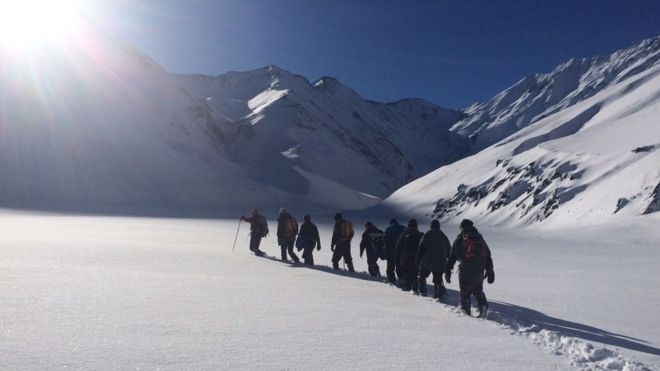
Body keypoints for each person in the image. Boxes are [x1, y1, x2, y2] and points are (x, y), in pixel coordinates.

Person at [445, 219, 495, 317]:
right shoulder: (480, 238)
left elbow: (452, 257)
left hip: (465, 271)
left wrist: (448, 270)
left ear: (462, 227)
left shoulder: (460, 240)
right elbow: (487, 255)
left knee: (465, 293)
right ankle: (483, 305)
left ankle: (466, 312)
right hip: (479, 271)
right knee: (478, 290)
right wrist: (490, 270)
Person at [416, 219, 451, 298]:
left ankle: (422, 290)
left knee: (422, 275)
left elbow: (421, 248)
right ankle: (438, 292)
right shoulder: (443, 236)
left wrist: (418, 260)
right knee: (438, 278)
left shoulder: (428, 234)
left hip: (428, 260)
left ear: (431, 226)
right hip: (441, 262)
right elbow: (449, 250)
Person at [396, 219, 423, 292]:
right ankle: (414, 286)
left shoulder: (404, 234)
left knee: (406, 271)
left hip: (405, 256)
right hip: (416, 256)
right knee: (414, 271)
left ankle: (407, 286)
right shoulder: (419, 234)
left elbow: (399, 245)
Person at [383, 218, 405, 285]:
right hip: (402, 251)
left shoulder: (388, 229)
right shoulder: (403, 228)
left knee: (390, 266)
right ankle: (402, 279)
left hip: (391, 250)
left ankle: (392, 280)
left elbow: (385, 239)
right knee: (400, 266)